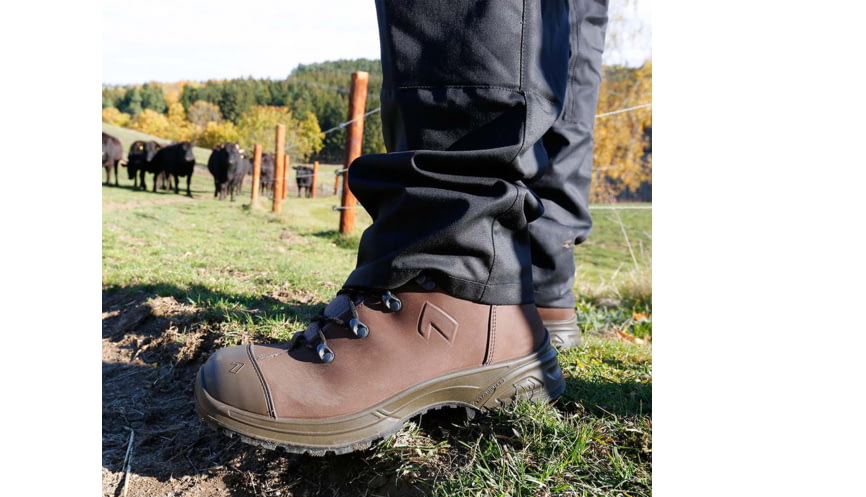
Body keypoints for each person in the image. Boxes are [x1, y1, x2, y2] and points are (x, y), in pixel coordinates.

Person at [194, 0, 609, 455]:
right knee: (566, 16)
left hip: (469, 265)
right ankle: (528, 286)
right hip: (519, 271)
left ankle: (446, 273)